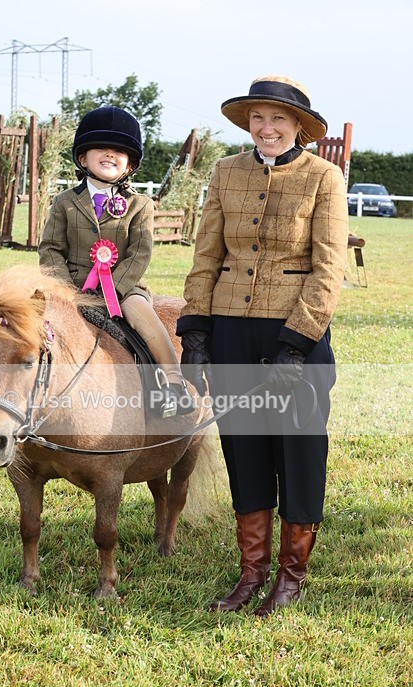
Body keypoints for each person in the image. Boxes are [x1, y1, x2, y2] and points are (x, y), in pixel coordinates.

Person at [176, 76, 348, 616]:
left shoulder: (324, 177)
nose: (266, 128)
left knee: (299, 454)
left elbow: (328, 269)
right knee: (244, 450)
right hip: (231, 331)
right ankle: (251, 572)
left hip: (294, 335)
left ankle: (291, 577)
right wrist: (196, 333)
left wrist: (296, 345)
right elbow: (206, 257)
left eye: (277, 118)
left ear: (298, 126)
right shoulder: (225, 171)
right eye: (257, 117)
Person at [39, 105, 193, 414]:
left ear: (129, 164)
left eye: (120, 151)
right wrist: (65, 291)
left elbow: (140, 253)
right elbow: (51, 250)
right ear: (83, 158)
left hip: (124, 290)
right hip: (71, 288)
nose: (110, 154)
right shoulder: (64, 203)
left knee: (145, 320)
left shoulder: (140, 205)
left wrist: (115, 289)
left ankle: (174, 385)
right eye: (101, 148)